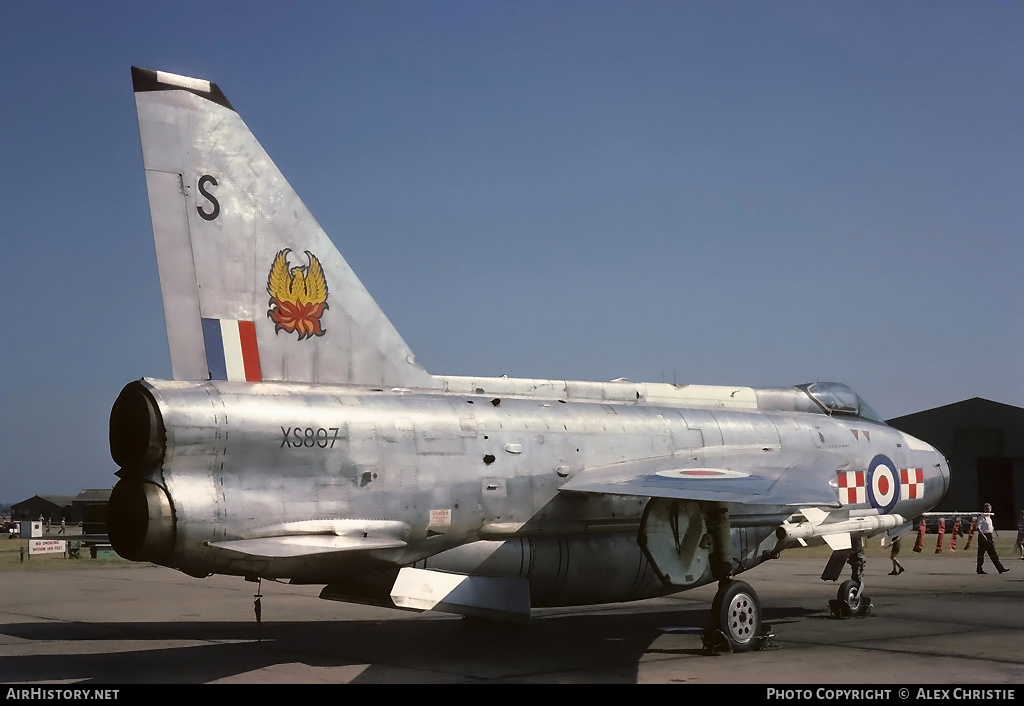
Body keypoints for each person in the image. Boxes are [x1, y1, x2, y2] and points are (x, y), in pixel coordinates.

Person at [976, 503, 1008, 575]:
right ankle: (979, 569)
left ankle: (1000, 568)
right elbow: (978, 527)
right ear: (984, 509)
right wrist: (983, 536)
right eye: (987, 508)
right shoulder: (982, 517)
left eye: (990, 509)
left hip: (989, 536)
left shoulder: (989, 517)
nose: (989, 510)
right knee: (981, 553)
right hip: (983, 536)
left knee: (992, 553)